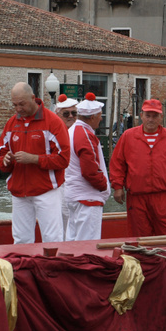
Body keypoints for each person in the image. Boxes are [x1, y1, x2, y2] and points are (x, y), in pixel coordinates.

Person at [0, 82, 70, 244]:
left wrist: (35, 159)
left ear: (33, 98)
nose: (18, 109)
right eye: (15, 105)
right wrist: (6, 160)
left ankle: (52, 268)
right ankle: (24, 268)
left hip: (47, 190)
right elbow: (1, 154)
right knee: (21, 239)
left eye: (22, 104)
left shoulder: (53, 122)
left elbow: (64, 159)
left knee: (52, 238)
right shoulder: (11, 124)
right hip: (19, 192)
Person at [110, 99, 166, 237]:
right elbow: (118, 164)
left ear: (161, 117)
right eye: (148, 115)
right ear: (141, 116)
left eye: (155, 116)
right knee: (139, 234)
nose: (151, 119)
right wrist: (117, 187)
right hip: (136, 196)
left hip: (162, 196)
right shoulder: (128, 136)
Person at [66, 93, 111, 240]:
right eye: (99, 115)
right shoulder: (85, 135)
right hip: (87, 198)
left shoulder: (71, 131)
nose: (101, 118)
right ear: (92, 117)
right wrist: (104, 186)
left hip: (73, 195)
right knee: (87, 243)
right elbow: (90, 170)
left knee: (72, 240)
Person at [55, 95, 79, 239]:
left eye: (74, 113)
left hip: (77, 185)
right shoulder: (55, 133)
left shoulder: (80, 132)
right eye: (66, 113)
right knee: (63, 218)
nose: (71, 116)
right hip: (60, 184)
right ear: (58, 114)